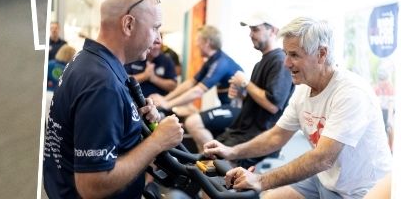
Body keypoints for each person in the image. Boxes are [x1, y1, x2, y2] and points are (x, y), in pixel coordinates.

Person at [204, 17, 392, 198]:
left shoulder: (351, 92)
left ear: (322, 54)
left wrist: (261, 180)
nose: (286, 63)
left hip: (361, 191)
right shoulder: (304, 90)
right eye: (286, 54)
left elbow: (322, 158)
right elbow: (276, 136)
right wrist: (231, 151)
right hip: (324, 180)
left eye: (294, 55)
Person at [42, 0, 183, 199]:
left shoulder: (89, 61)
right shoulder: (102, 84)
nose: (159, 41)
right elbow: (91, 185)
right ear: (128, 25)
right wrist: (157, 142)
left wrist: (134, 119)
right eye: (155, 28)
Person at [201, 16, 293, 165]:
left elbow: (273, 105)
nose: (250, 34)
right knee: (205, 159)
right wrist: (241, 94)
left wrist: (245, 83)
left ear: (273, 31)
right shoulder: (260, 63)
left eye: (255, 29)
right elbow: (256, 100)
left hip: (257, 138)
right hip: (240, 132)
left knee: (210, 168)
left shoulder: (280, 60)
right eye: (250, 30)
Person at [148, 24, 240, 129]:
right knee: (190, 112)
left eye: (198, 40)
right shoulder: (211, 61)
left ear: (207, 42)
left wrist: (168, 104)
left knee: (193, 122)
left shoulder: (221, 62)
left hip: (239, 110)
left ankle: (216, 146)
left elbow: (198, 91)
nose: (196, 44)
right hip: (228, 106)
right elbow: (191, 83)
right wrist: (165, 99)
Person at [127, 35, 180, 99]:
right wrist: (144, 76)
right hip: (134, 103)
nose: (157, 47)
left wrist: (154, 79)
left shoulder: (166, 60)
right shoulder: (134, 57)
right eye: (154, 43)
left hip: (159, 105)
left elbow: (173, 85)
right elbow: (124, 79)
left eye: (159, 43)